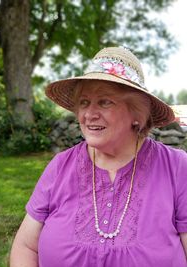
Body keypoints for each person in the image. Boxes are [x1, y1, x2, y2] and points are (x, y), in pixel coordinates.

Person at [10, 46, 187, 267]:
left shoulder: (176, 167)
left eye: (105, 102)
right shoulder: (60, 166)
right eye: (84, 102)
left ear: (137, 113)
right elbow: (25, 247)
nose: (89, 114)